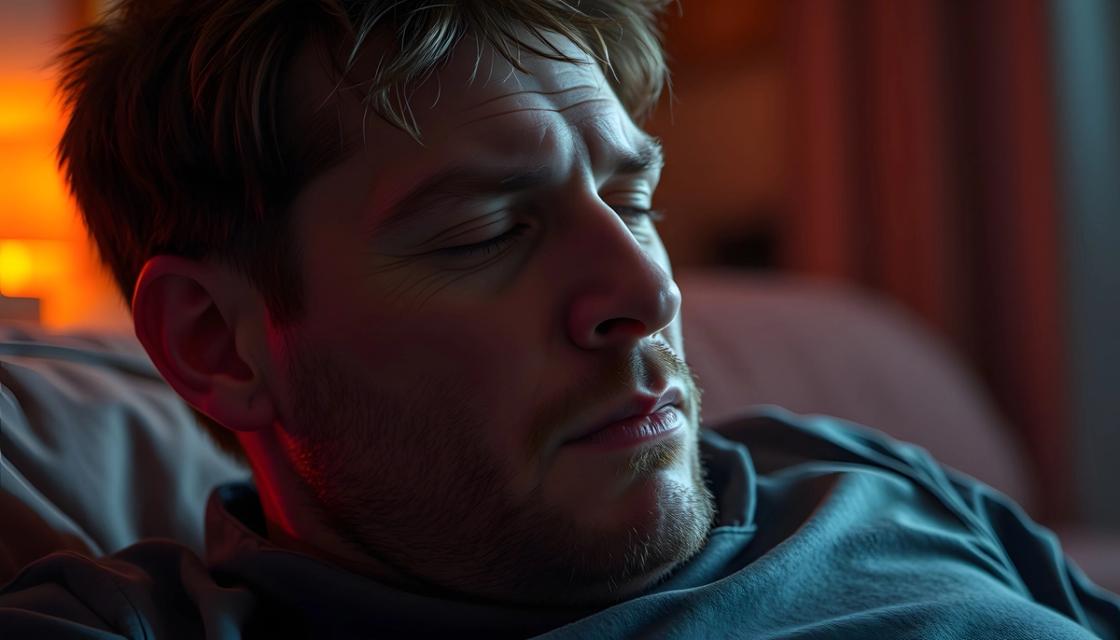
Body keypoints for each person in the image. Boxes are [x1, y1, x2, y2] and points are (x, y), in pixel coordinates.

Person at [1, 1, 1117, 638]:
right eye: (485, 232)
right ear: (216, 341)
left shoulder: (853, 473)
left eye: (634, 200)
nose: (644, 295)